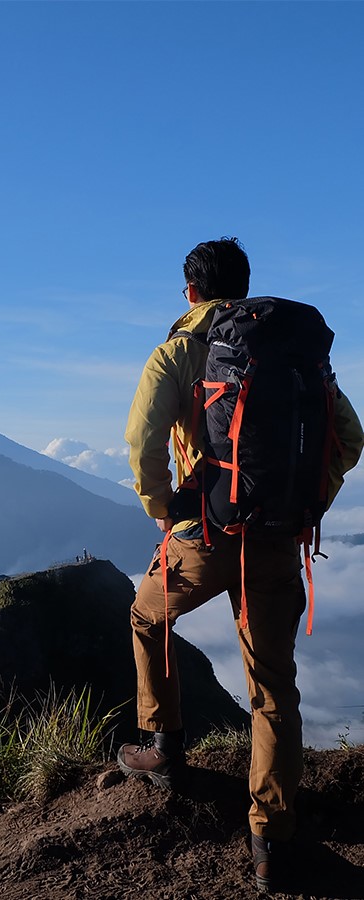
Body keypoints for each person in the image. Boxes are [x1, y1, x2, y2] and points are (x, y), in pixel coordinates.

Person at [117, 237, 364, 892]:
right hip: (277, 539)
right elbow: (350, 437)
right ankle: (270, 841)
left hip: (203, 534)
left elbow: (141, 440)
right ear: (244, 287)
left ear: (191, 291)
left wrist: (162, 509)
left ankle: (163, 747)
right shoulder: (289, 351)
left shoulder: (177, 351)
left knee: (146, 618)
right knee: (273, 687)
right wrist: (308, 502)